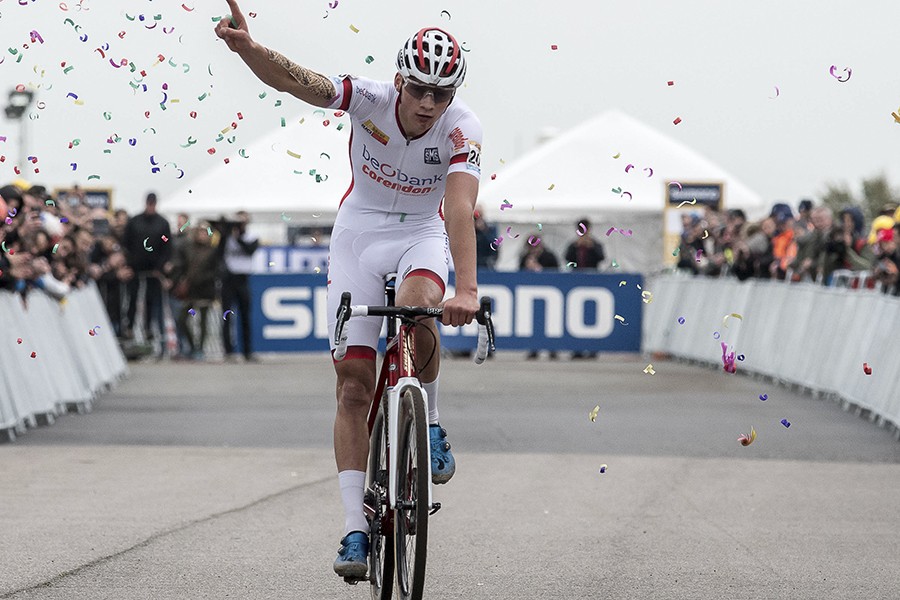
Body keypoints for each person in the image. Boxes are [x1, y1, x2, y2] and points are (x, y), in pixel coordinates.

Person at [216, 2, 483, 579]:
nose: (427, 104)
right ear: (399, 81)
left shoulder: (463, 128)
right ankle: (355, 530)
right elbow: (300, 83)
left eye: (440, 93)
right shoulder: (369, 100)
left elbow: (460, 207)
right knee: (353, 387)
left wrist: (467, 287)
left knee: (418, 310)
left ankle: (430, 423)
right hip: (357, 235)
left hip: (420, 233)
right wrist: (251, 51)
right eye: (418, 89)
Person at [121, 193, 172, 354]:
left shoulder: (162, 223)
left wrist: (161, 265)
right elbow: (126, 243)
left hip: (154, 270)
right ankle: (129, 328)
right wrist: (128, 263)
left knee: (151, 301)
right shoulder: (134, 222)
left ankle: (149, 328)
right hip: (135, 269)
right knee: (133, 298)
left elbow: (166, 244)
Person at [215, 210, 259, 362]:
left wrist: (238, 237)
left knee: (245, 316)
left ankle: (247, 351)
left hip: (243, 279)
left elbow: (249, 250)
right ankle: (228, 351)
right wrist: (225, 233)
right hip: (229, 279)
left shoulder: (251, 237)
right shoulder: (227, 238)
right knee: (227, 315)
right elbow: (218, 253)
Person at [519, 238, 559, 360]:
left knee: (551, 324)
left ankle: (552, 349)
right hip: (530, 296)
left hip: (549, 295)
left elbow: (557, 273)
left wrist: (539, 269)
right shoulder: (525, 257)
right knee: (532, 324)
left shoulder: (549, 256)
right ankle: (533, 349)